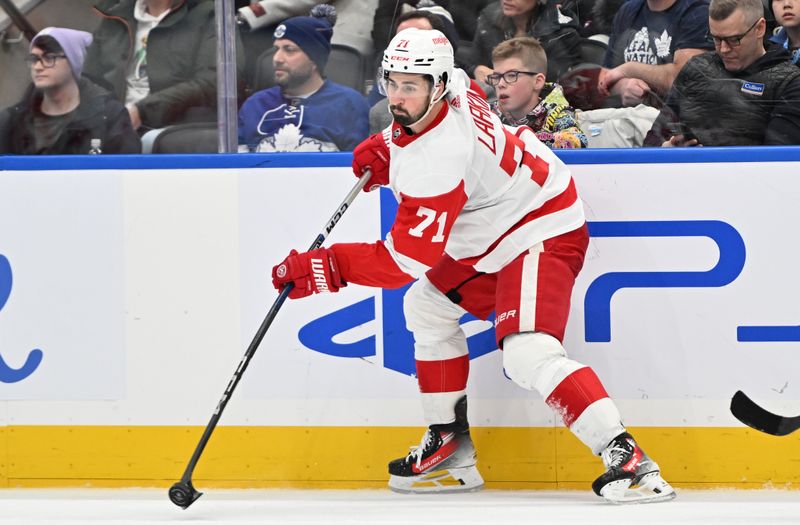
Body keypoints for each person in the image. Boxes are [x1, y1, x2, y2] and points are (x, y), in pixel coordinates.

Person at [271, 27, 676, 504]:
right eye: (392, 84)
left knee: (528, 354)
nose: (398, 98)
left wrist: (325, 268)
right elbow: (416, 123)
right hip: (494, 229)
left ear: (437, 86)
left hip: (538, 228)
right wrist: (389, 141)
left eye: (411, 86)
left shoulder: (437, 160)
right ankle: (449, 445)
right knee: (426, 307)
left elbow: (403, 261)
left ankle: (629, 461)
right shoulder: (455, 83)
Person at [644, 0, 800, 146]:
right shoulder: (696, 68)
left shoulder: (790, 83)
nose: (723, 49)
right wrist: (664, 149)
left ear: (759, 28)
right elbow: (652, 141)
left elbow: (777, 161)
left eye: (734, 39)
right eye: (716, 39)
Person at [83, 0, 242, 132]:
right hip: (115, 128)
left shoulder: (210, 14)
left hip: (180, 130)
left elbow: (217, 80)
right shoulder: (113, 15)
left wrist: (143, 111)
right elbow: (90, 81)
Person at [237, 6, 370, 152]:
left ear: (314, 59)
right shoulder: (255, 105)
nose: (277, 58)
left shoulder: (350, 105)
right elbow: (235, 168)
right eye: (276, 49)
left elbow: (360, 167)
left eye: (289, 50)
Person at [0, 27, 140, 154]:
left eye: (49, 58)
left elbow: (128, 170)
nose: (38, 67)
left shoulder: (110, 116)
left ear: (74, 61)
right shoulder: (11, 121)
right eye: (34, 59)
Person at [598, 0, 714, 106]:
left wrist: (629, 69)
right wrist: (624, 87)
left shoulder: (697, 12)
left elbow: (683, 79)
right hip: (630, 119)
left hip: (675, 122)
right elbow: (605, 78)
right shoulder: (628, 10)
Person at [489, 37, 587, 148]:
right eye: (496, 77)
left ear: (537, 82)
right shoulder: (487, 112)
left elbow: (577, 141)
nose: (500, 84)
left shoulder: (558, 113)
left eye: (511, 75)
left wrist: (517, 141)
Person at [468, 0, 583, 84]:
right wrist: (477, 69)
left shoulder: (563, 34)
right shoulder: (489, 19)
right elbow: (469, 63)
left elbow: (558, 88)